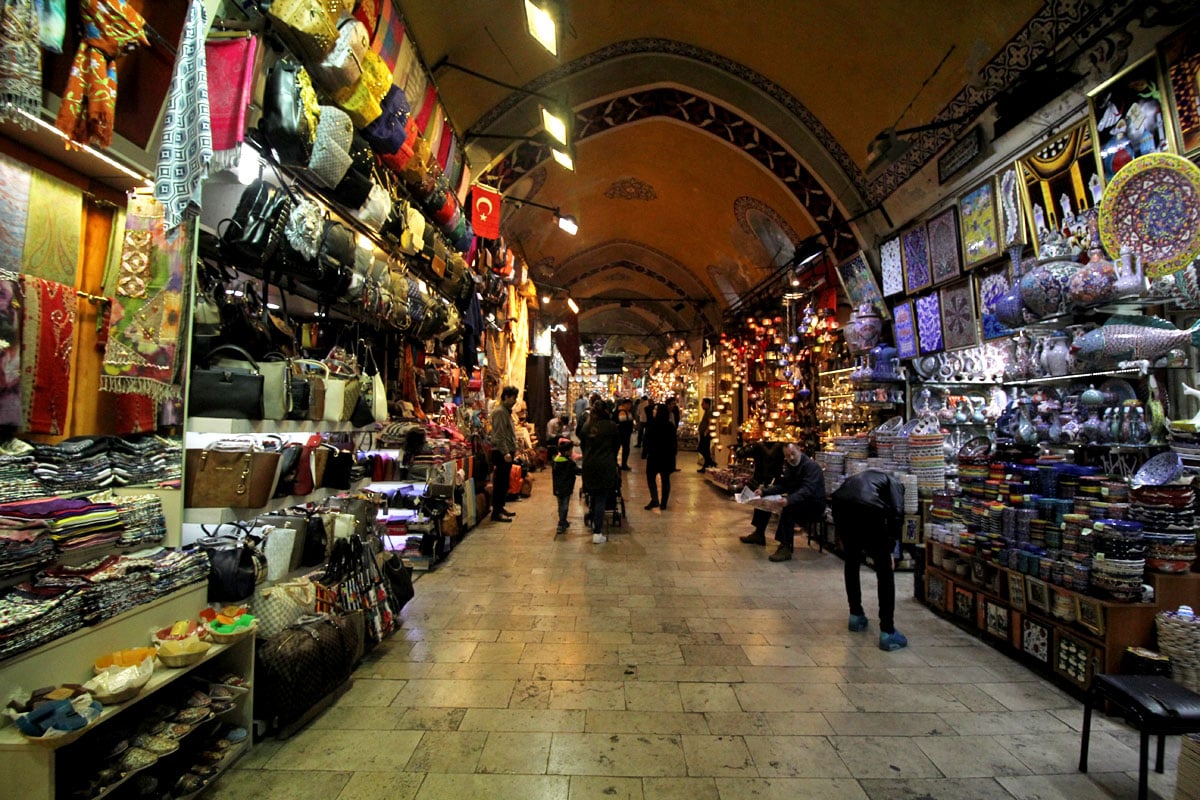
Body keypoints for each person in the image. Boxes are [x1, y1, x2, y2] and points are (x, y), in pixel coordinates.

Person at [831, 469, 908, 651]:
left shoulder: (867, 477)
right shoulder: (896, 485)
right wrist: (890, 550)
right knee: (884, 572)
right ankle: (888, 632)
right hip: (869, 509)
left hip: (841, 505)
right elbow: (897, 514)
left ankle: (855, 615)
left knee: (852, 561)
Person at [739, 442, 825, 562]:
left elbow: (807, 490)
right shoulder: (791, 466)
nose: (791, 458)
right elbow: (784, 485)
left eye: (792, 454)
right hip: (799, 499)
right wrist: (765, 492)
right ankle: (759, 533)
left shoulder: (811, 467)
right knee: (765, 501)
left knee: (789, 509)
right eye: (787, 456)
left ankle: (785, 546)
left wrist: (789, 500)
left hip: (813, 503)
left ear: (799, 450)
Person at [581, 400, 620, 543]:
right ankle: (597, 532)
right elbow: (616, 446)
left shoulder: (587, 426)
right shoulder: (611, 427)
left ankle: (594, 522)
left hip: (589, 465)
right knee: (601, 498)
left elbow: (583, 445)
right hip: (605, 464)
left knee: (592, 495)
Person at [488, 386, 520, 523]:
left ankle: (500, 508)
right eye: (513, 398)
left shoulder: (506, 412)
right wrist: (505, 451)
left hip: (506, 451)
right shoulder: (500, 412)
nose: (515, 401)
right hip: (502, 453)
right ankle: (496, 512)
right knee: (500, 482)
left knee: (504, 482)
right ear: (506, 397)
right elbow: (499, 435)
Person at [643, 404, 677, 510]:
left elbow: (646, 441)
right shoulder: (670, 426)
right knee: (665, 479)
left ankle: (655, 499)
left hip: (654, 456)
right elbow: (674, 443)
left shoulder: (652, 425)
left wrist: (646, 453)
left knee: (651, 477)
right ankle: (663, 503)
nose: (653, 411)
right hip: (666, 457)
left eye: (656, 410)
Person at [551, 438, 581, 535]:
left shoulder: (555, 461)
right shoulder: (569, 463)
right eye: (571, 450)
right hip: (567, 488)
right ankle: (561, 523)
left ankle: (563, 520)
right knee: (565, 506)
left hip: (557, 488)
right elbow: (577, 471)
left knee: (560, 505)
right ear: (567, 452)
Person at [697, 397, 716, 472]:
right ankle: (708, 464)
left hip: (706, 434)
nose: (702, 405)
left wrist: (706, 431)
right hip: (704, 433)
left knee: (702, 448)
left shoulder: (709, 412)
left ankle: (710, 462)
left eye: (703, 403)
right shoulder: (706, 412)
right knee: (705, 449)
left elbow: (710, 422)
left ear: (707, 404)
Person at [616, 398, 634, 470]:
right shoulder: (622, 412)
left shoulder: (626, 412)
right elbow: (623, 424)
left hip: (624, 434)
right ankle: (623, 464)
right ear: (624, 404)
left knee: (620, 449)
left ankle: (621, 464)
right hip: (623, 434)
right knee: (624, 449)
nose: (630, 406)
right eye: (628, 404)